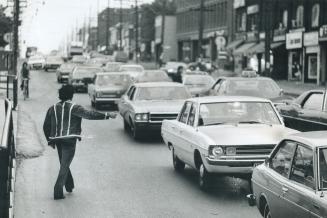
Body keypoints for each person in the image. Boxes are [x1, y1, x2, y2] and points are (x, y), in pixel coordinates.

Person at [43, 84, 117, 200]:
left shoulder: (52, 108)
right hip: (69, 140)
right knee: (64, 165)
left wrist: (50, 140)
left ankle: (69, 185)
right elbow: (89, 115)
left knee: (64, 163)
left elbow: (45, 126)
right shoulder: (74, 107)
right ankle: (57, 192)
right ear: (71, 95)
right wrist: (107, 115)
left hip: (57, 140)